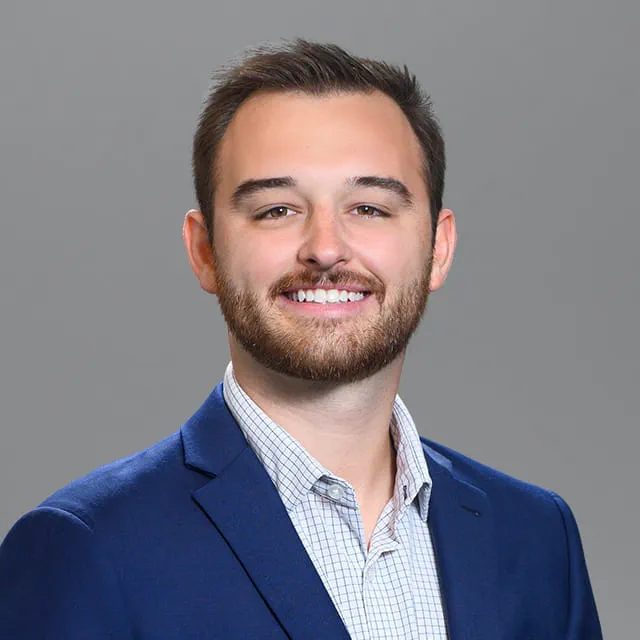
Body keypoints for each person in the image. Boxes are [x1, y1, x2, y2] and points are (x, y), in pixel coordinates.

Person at [0, 39, 602, 639]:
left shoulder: (537, 536)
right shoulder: (86, 548)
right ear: (205, 251)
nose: (326, 248)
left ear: (438, 249)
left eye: (369, 208)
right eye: (277, 210)